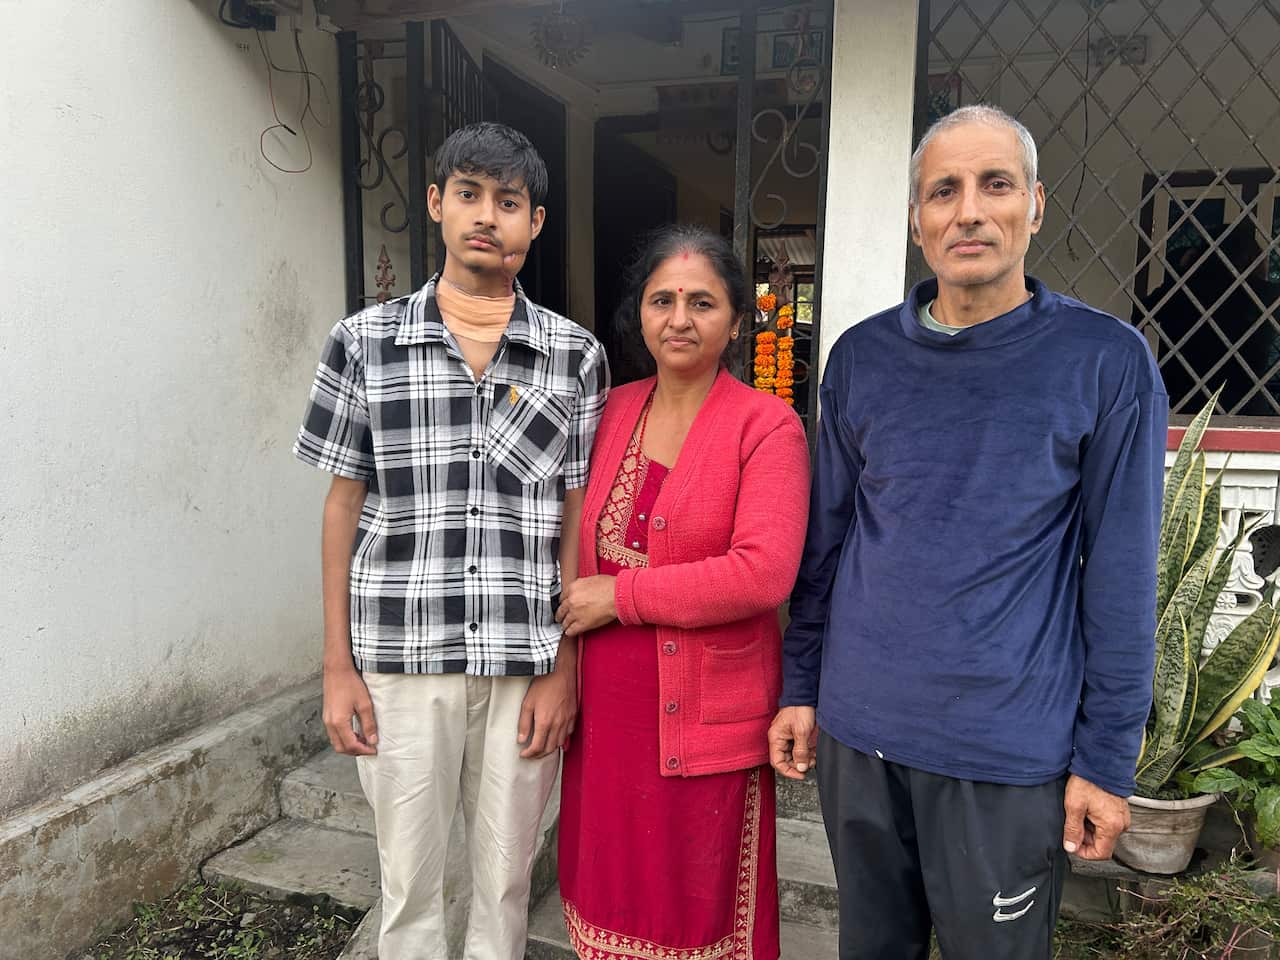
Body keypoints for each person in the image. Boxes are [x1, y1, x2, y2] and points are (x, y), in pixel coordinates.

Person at [768, 104, 1168, 960]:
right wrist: (800, 685)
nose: (970, 211)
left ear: (1036, 204)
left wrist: (1105, 763)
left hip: (1004, 750)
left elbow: (1124, 576)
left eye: (996, 184)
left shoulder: (1105, 362)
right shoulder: (861, 358)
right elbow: (825, 545)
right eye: (943, 191)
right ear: (917, 219)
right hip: (859, 735)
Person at [293, 121, 608, 960]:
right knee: (409, 884)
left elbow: (577, 518)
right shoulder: (363, 343)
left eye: (508, 201)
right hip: (401, 654)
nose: (486, 216)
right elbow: (341, 507)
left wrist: (565, 667)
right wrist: (336, 666)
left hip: (522, 659)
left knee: (505, 884)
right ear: (436, 203)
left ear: (535, 222)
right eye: (469, 194)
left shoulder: (573, 357)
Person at [554, 224, 811, 960]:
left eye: (702, 302)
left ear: (735, 320)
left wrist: (620, 597)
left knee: (697, 916)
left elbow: (762, 573)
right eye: (662, 299)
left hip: (704, 722)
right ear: (639, 312)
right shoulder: (608, 411)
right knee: (609, 900)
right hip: (606, 716)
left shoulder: (767, 426)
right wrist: (562, 671)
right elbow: (568, 536)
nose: (679, 318)